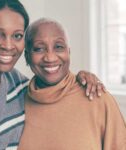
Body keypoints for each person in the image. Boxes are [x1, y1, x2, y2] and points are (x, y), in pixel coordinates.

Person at [0, 0, 106, 149]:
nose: (8, 45)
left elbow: (50, 86)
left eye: (17, 36)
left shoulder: (17, 83)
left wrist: (80, 78)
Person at [18, 18, 126, 150]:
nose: (50, 58)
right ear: (27, 57)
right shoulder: (16, 102)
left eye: (58, 47)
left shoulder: (97, 98)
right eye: (39, 49)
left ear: (68, 52)